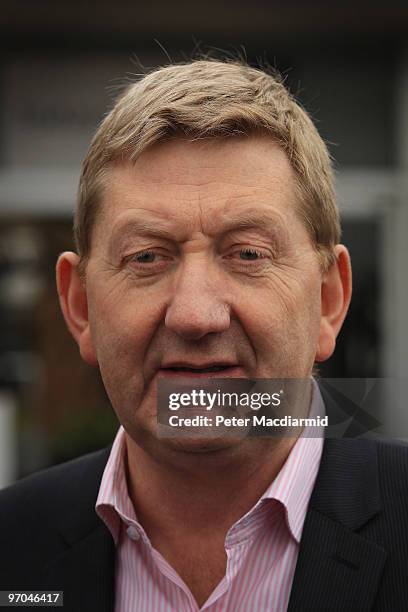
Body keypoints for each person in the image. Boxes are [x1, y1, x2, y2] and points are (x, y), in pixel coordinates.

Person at [1, 59, 407, 612]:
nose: (195, 315)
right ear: (80, 306)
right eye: (146, 257)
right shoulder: (13, 548)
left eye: (247, 254)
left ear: (328, 302)